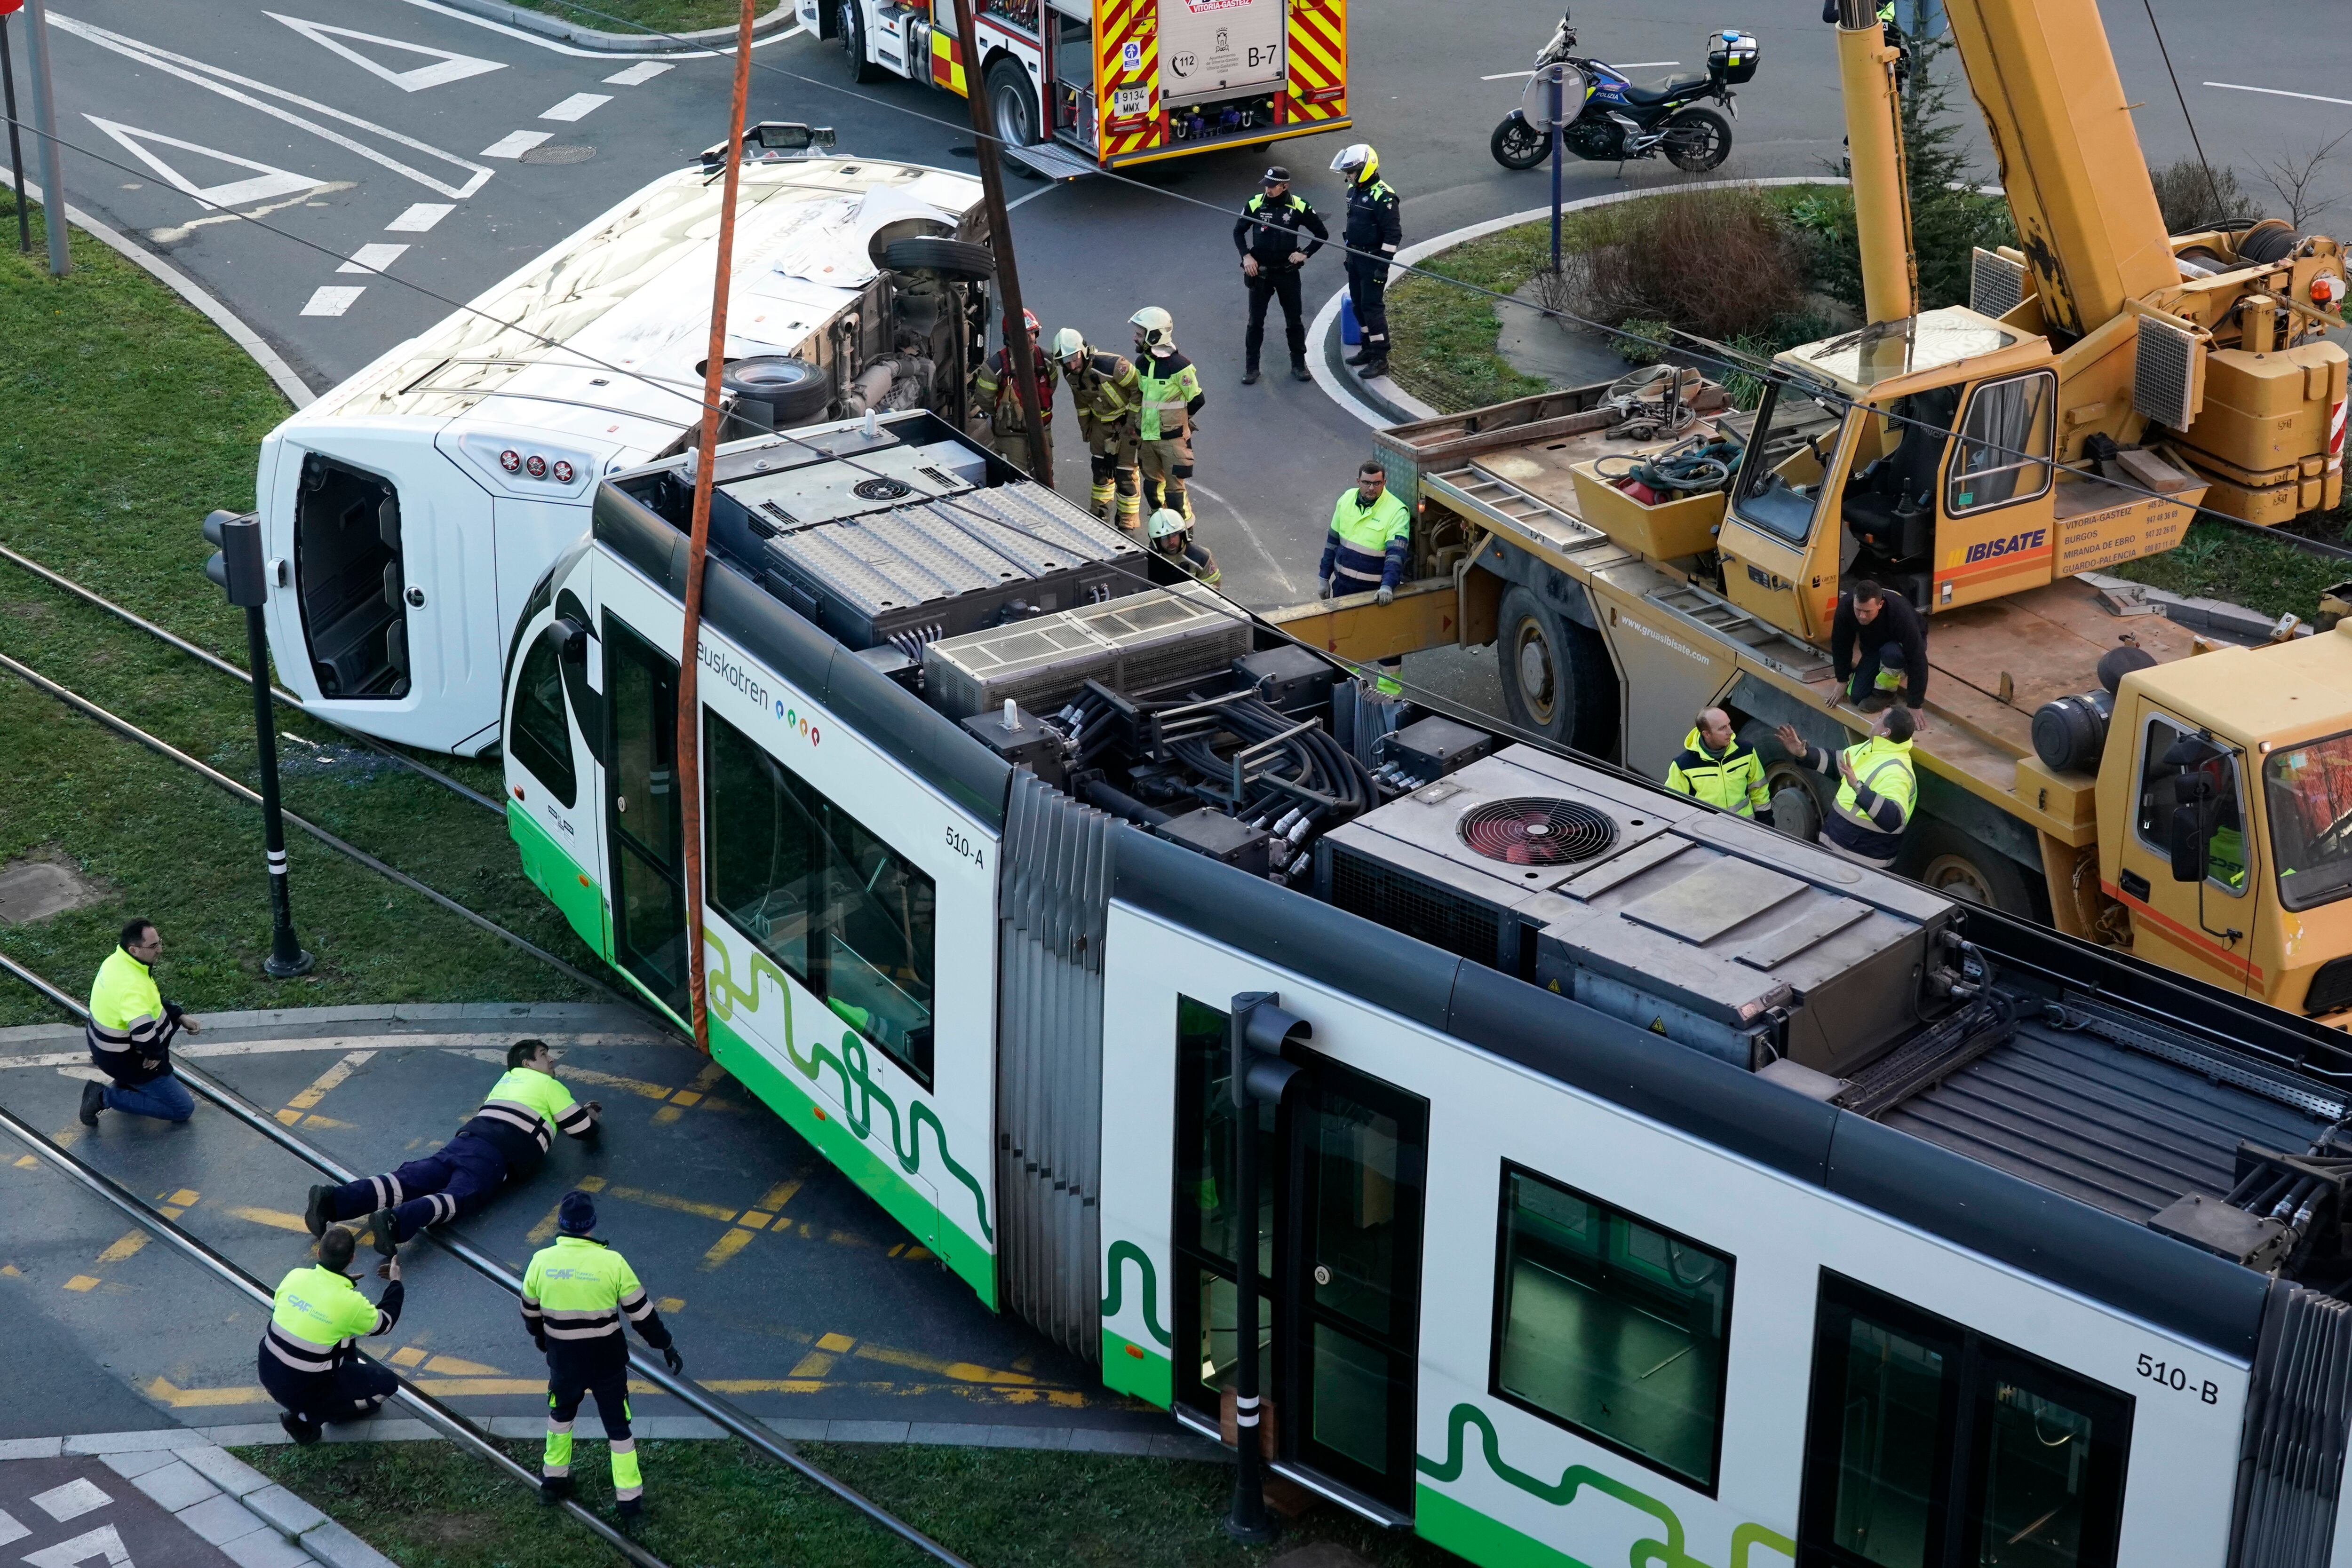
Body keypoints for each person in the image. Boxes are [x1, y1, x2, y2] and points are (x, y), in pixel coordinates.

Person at [303, 1038, 600, 1251]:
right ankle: (396, 1223)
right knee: (459, 1197)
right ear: (528, 1063)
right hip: (497, 1153)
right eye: (544, 1055)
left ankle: (333, 1201)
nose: (552, 1060)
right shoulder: (549, 1085)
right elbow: (582, 1130)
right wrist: (590, 1114)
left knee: (410, 1179)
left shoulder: (506, 1081)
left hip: (467, 1140)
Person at [524, 1189, 682, 1522]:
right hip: (607, 1363)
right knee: (618, 1429)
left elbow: (530, 1311)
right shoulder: (612, 1262)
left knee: (560, 1416)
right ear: (591, 1226)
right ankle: (629, 1502)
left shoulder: (541, 1262)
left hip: (564, 1361)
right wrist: (665, 1344)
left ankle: (553, 1483)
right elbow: (642, 1315)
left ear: (561, 1225)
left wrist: (544, 1340)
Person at [260, 1226, 402, 1445]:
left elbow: (305, 1311)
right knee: (388, 1384)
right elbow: (385, 1322)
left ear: (318, 1253)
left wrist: (340, 1283)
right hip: (303, 1388)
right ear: (353, 1258)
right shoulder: (349, 1304)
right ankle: (310, 1418)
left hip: (268, 1372)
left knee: (343, 1332)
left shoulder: (295, 1276)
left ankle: (309, 1407)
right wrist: (396, 1283)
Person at [80, 918, 202, 1128]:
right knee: (182, 1109)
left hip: (104, 1048)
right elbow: (143, 1033)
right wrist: (155, 1055)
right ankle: (102, 1097)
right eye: (154, 946)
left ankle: (127, 1086)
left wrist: (178, 1016)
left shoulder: (117, 962)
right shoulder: (133, 987)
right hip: (126, 1060)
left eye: (159, 942)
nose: (160, 950)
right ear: (134, 950)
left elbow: (151, 1000)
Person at [1775, 705, 1920, 869]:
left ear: (1886, 732)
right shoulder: (1871, 748)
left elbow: (1893, 818)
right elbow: (1836, 763)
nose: (1875, 720)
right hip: (1837, 852)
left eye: (1880, 718)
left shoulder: (1896, 771)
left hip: (1859, 866)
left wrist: (1859, 788)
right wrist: (1804, 754)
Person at [1232, 165, 1327, 385]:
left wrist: (1305, 254)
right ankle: (1252, 368)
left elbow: (1321, 234)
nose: (1268, 190)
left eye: (1273, 187)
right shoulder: (1255, 203)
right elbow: (1238, 231)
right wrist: (1246, 256)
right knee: (1255, 322)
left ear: (1285, 186)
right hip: (1261, 273)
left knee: (1294, 321)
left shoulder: (1299, 206)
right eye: (1266, 185)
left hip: (1288, 273)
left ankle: (1298, 365)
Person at [1052, 326, 1143, 531]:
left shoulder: (1113, 366)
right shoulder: (1071, 375)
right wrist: (1086, 428)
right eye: (1065, 361)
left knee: (1125, 475)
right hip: (1101, 425)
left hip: (1127, 422)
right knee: (1101, 472)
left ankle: (1127, 525)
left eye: (1074, 358)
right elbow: (1081, 403)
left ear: (1083, 351)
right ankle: (1099, 518)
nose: (1072, 364)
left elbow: (1139, 390)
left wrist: (1131, 423)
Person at [1330, 144, 1401, 379]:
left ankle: (1381, 358)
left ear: (1365, 168)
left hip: (1373, 261)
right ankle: (1367, 348)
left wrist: (1383, 266)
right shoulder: (1354, 191)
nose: (1348, 176)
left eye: (1351, 171)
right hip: (1356, 258)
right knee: (1359, 306)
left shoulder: (1384, 196)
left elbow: (1393, 235)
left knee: (1372, 309)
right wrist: (1350, 255)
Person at [1129, 306, 1205, 523]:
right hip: (1148, 439)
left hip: (1172, 441)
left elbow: (1198, 399)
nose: (1135, 338)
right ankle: (1160, 531)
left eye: (1140, 334)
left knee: (1175, 495)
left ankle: (1184, 532)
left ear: (1154, 335)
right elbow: (1143, 398)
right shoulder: (1142, 363)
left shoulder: (1180, 366)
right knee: (1153, 490)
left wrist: (1179, 422)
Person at [972, 308, 1059, 474]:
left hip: (1042, 429)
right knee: (1016, 478)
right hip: (1011, 435)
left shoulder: (1047, 360)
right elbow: (984, 399)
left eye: (1034, 333)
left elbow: (1051, 387)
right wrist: (1006, 416)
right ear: (1010, 338)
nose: (1031, 338)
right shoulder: (995, 367)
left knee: (1045, 474)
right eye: (1026, 334)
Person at [1829, 578, 1929, 717]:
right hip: (1875, 644)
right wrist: (1842, 679)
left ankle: (1885, 694)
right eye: (1858, 610)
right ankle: (1881, 669)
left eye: (1867, 611)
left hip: (1900, 645)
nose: (1862, 616)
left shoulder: (1900, 614)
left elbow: (1918, 658)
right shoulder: (1846, 606)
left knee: (1892, 654)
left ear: (1880, 604)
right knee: (1857, 697)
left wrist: (1915, 704)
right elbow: (1840, 642)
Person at [1319, 460, 1412, 605]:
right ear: (1358, 481)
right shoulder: (1347, 499)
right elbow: (1332, 542)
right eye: (1366, 483)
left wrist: (1387, 587)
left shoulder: (1397, 511)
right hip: (1342, 588)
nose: (1371, 488)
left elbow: (1396, 555)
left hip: (1372, 595)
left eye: (1377, 483)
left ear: (1384, 482)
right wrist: (1324, 578)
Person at [1664, 707, 1774, 823]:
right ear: (1707, 734)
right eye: (1722, 728)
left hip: (1744, 827)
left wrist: (1765, 820)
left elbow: (1759, 789)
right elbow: (1674, 805)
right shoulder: (1684, 765)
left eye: (1729, 724)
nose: (1730, 731)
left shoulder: (1746, 752)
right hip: (1707, 832)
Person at [1144, 507, 1220, 587]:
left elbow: (1213, 589)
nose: (1171, 542)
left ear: (1183, 535)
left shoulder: (1202, 557)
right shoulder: (1148, 560)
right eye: (1164, 538)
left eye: (1174, 535)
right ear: (1156, 541)